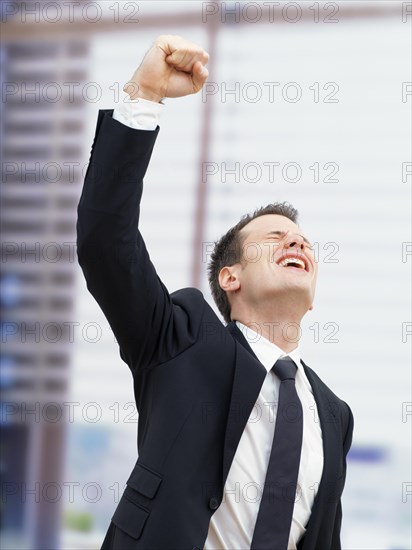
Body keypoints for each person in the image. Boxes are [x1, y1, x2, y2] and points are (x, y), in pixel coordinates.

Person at [77, 35, 354, 550]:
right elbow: (104, 240)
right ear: (231, 278)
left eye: (304, 243)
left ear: (312, 297)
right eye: (274, 237)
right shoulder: (181, 338)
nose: (295, 240)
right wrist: (144, 95)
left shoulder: (335, 414)